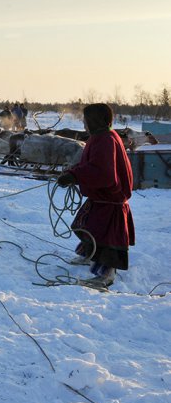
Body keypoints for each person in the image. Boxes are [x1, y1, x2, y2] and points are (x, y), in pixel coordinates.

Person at [57, 103, 134, 288]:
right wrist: (73, 171)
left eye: (85, 120)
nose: (83, 123)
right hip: (102, 198)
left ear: (94, 120)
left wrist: (74, 176)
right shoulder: (102, 136)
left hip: (110, 199)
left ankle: (106, 274)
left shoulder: (105, 139)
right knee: (86, 226)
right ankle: (88, 255)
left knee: (104, 236)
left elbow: (104, 173)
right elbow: (92, 164)